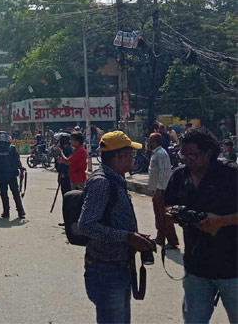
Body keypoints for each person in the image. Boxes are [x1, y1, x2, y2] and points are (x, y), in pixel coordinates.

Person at [164, 127, 238, 324]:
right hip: (196, 267)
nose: (187, 159)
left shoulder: (231, 174)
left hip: (232, 267)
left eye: (193, 155)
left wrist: (221, 221)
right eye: (183, 154)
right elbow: (167, 205)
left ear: (208, 153)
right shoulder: (180, 176)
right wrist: (175, 215)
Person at [78, 131, 153, 324]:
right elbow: (86, 226)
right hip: (106, 270)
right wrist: (127, 237)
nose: (133, 159)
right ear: (120, 156)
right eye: (131, 154)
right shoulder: (102, 183)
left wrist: (134, 236)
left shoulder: (115, 179)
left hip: (118, 266)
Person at [147, 132, 178, 249]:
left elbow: (164, 172)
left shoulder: (161, 153)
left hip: (162, 190)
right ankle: (160, 237)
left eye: (150, 140)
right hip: (156, 190)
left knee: (165, 216)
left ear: (155, 142)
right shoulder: (155, 153)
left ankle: (172, 240)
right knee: (158, 215)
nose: (148, 143)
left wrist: (159, 189)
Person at [0, 131, 25, 219]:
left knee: (8, 193)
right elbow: (18, 161)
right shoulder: (11, 148)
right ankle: (18, 212)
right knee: (11, 193)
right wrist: (21, 171)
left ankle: (10, 211)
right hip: (7, 174)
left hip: (6, 175)